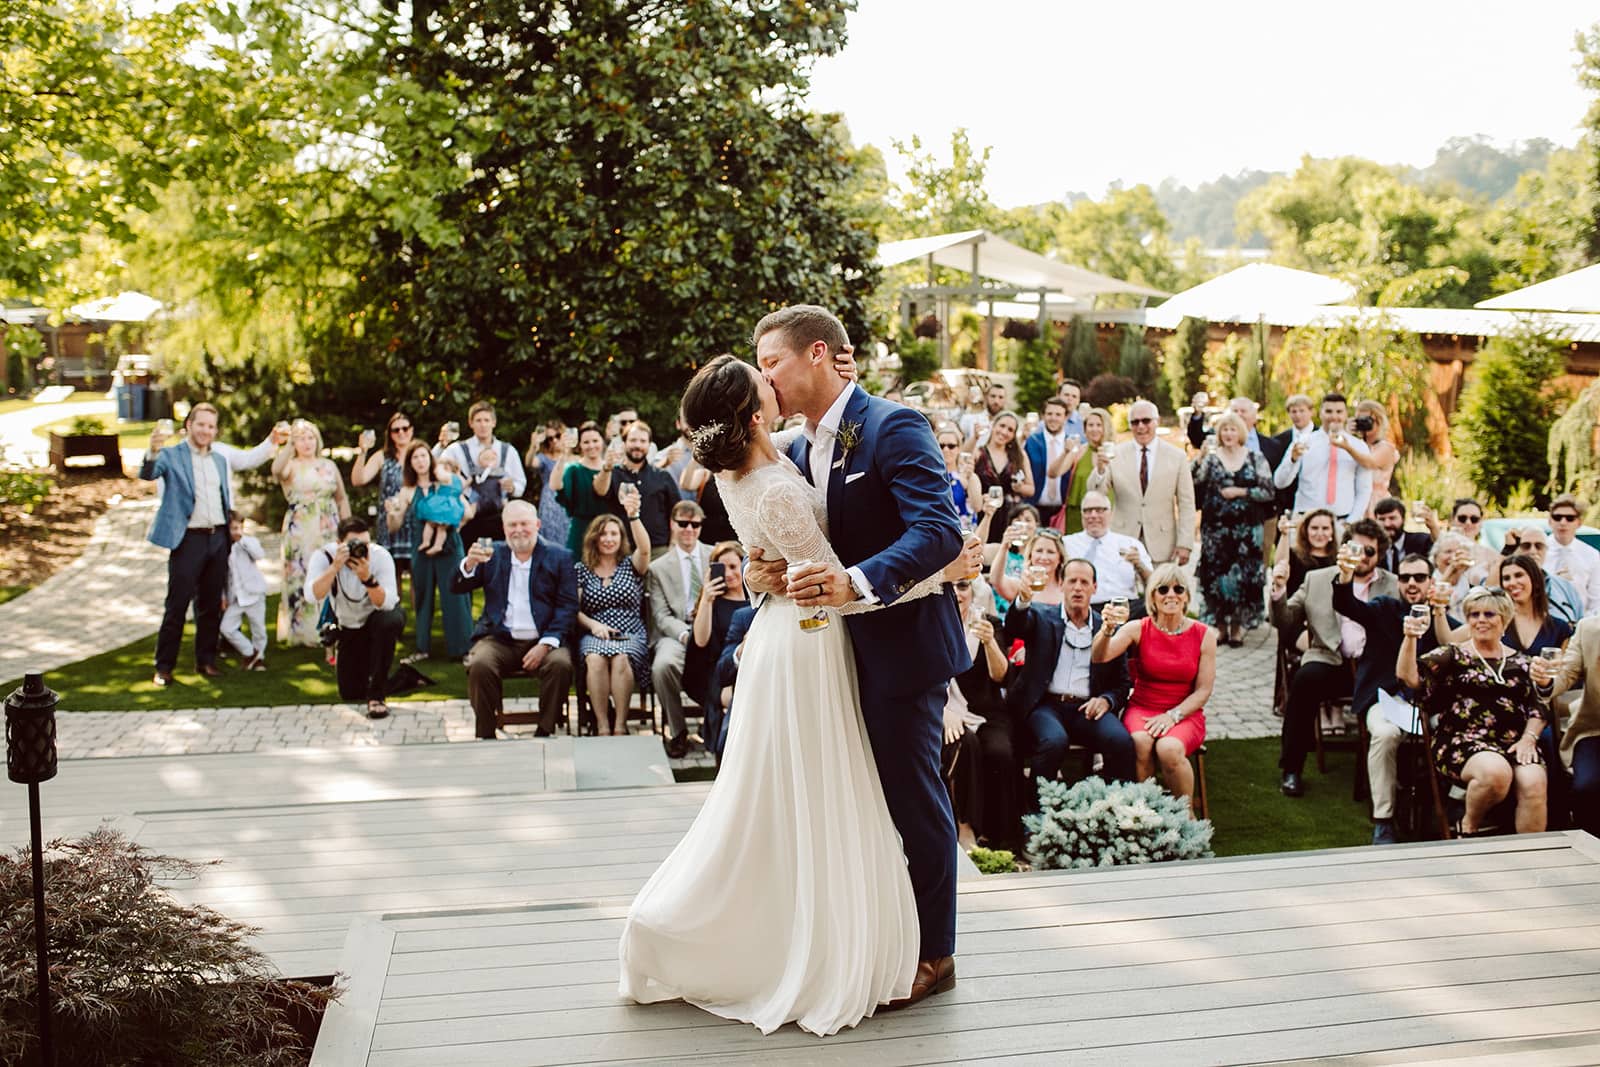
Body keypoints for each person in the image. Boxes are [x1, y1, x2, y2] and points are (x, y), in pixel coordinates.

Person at [620, 310, 965, 1034]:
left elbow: (938, 532)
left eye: (769, 361)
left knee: (911, 798)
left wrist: (853, 581)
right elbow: (772, 515)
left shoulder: (892, 427)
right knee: (841, 801)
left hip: (895, 643)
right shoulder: (788, 443)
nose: (765, 374)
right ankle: (851, 937)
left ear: (816, 354)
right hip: (819, 651)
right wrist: (762, 566)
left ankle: (935, 951)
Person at [1398, 586, 1548, 835]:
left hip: (1513, 742)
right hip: (1462, 740)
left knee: (1534, 781)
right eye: (1474, 615)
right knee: (1495, 773)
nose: (1480, 620)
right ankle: (1467, 826)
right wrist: (1410, 637)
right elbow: (1408, 676)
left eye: (1489, 614)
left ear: (1505, 619)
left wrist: (1528, 739)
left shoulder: (1522, 661)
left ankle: (1529, 859)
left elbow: (1540, 703)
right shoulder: (1453, 655)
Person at [1332, 552, 1456, 844]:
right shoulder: (1384, 608)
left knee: (1455, 727)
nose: (1412, 583)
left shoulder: (1440, 618)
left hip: (1427, 703)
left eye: (1419, 577)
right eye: (1405, 577)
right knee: (1386, 734)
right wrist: (1346, 577)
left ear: (1430, 581)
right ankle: (1383, 820)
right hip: (1384, 698)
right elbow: (1346, 604)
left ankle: (1450, 806)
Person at [1271, 518, 1399, 797]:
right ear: (1344, 548)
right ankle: (1292, 769)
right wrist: (1279, 590)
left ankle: (1389, 772)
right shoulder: (1317, 579)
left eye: (1370, 551)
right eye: (1356, 548)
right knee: (1304, 679)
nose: (1362, 556)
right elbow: (1285, 621)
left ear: (1379, 555)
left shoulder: (1393, 585)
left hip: (1373, 666)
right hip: (1330, 659)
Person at [454, 500, 578, 738]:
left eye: (524, 523)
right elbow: (457, 586)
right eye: (512, 525)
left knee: (560, 664)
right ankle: (486, 733)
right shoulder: (493, 554)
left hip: (544, 638)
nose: (518, 530)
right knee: (480, 664)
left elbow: (567, 606)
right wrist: (469, 564)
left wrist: (546, 644)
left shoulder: (559, 557)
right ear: (503, 528)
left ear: (538, 525)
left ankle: (545, 730)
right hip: (500, 638)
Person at [1093, 563, 1215, 804]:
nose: (1171, 595)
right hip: (1143, 707)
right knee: (1140, 742)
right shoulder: (1138, 628)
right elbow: (1099, 656)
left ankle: (1185, 811)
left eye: (1178, 589)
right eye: (1163, 589)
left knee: (1169, 748)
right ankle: (1145, 809)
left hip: (1184, 711)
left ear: (1186, 596)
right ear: (1152, 597)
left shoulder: (1204, 634)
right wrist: (1107, 629)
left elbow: (1203, 690)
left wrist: (1173, 715)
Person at [1007, 557, 1133, 787]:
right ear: (1062, 584)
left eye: (1084, 582)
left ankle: (1114, 807)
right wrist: (1023, 599)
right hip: (1046, 706)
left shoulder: (1107, 627)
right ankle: (1038, 812)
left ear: (1095, 588)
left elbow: (1123, 683)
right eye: (1072, 581)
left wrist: (1107, 700)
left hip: (1086, 708)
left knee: (1121, 741)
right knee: (1054, 741)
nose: (1077, 587)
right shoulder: (1041, 616)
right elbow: (1015, 626)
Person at [140, 404, 235, 686]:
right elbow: (148, 473)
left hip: (217, 538)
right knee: (177, 604)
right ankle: (164, 667)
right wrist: (153, 450)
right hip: (188, 539)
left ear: (215, 430)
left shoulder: (219, 460)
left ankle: (206, 660)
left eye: (211, 426)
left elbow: (223, 497)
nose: (206, 430)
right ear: (189, 425)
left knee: (210, 605)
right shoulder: (171, 455)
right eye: (201, 424)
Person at [942, 576, 1018, 851]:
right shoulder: (931, 624)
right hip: (942, 710)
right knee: (964, 744)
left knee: (1000, 751)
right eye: (948, 586)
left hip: (985, 712)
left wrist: (989, 644)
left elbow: (1000, 677)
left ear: (973, 592)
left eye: (963, 586)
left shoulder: (988, 624)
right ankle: (965, 828)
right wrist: (943, 711)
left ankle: (1003, 838)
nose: (957, 593)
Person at [304, 517, 404, 720]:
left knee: (389, 620)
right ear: (340, 544)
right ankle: (404, 677)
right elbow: (312, 595)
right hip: (349, 627)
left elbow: (386, 603)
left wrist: (368, 578)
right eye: (354, 544)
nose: (361, 549)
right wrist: (334, 568)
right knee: (351, 692)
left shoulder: (380, 557)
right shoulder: (324, 556)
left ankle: (377, 696)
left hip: (377, 620)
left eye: (365, 544)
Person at [1192, 410, 1274, 646]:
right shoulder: (1212, 457)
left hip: (1246, 531)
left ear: (1241, 432)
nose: (1228, 434)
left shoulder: (1254, 457)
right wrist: (1199, 458)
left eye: (1232, 429)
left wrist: (1241, 492)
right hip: (1215, 530)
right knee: (1215, 577)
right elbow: (1194, 480)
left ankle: (1237, 627)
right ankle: (1220, 627)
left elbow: (1268, 490)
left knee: (1242, 578)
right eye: (1224, 430)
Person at [390, 441, 474, 661]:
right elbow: (395, 525)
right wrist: (392, 513)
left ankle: (462, 648)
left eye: (423, 456)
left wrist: (449, 521)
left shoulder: (445, 482)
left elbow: (467, 513)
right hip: (422, 548)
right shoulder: (407, 491)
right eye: (415, 457)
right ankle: (422, 648)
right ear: (409, 463)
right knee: (423, 596)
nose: (420, 461)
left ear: (431, 459)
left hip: (450, 546)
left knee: (455, 595)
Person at [1085, 399, 1195, 566]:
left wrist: (1185, 543)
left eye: (1146, 421)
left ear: (1156, 422)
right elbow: (1095, 493)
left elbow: (1186, 503)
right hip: (1123, 540)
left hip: (1162, 544)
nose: (1141, 427)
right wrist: (1100, 470)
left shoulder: (1177, 456)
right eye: (1135, 422)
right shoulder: (1116, 453)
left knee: (1158, 591)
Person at [273, 418, 350, 647]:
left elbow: (342, 497)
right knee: (302, 576)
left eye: (310, 437)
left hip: (329, 526)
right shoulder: (290, 465)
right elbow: (276, 470)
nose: (306, 443)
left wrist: (348, 529)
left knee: (330, 573)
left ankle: (333, 625)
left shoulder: (328, 465)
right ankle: (304, 633)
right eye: (301, 439)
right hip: (300, 531)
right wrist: (288, 443)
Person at [576, 511, 652, 735]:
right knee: (595, 658)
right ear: (594, 538)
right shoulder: (581, 570)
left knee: (620, 658)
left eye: (614, 534)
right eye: (603, 534)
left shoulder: (631, 565)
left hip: (630, 631)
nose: (608, 539)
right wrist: (594, 626)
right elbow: (575, 610)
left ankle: (620, 724)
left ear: (621, 538)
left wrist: (634, 516)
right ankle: (602, 725)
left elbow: (645, 549)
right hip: (594, 631)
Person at [647, 500, 712, 757]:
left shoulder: (715, 556)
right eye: (682, 524)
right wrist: (686, 634)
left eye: (694, 524)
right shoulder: (658, 567)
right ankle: (677, 731)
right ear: (672, 524)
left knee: (724, 660)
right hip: (677, 633)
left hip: (710, 628)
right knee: (663, 666)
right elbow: (660, 616)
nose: (688, 529)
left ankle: (714, 723)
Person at [1532, 614, 1600, 836]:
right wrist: (1545, 681)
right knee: (1587, 788)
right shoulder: (1589, 628)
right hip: (1593, 730)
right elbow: (1566, 674)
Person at [1273, 392, 1372, 524]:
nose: (1334, 416)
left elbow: (1364, 489)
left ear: (1346, 414)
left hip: (1342, 520)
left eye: (1339, 412)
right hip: (1305, 519)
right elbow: (1280, 482)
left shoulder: (1358, 446)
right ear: (1320, 413)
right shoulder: (1304, 441)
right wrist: (1293, 459)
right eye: (1329, 411)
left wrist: (1351, 521)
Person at [436, 400, 526, 545]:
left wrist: (512, 487)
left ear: (494, 422)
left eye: (486, 420)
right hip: (470, 518)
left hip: (499, 518)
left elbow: (520, 485)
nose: (483, 425)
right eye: (478, 420)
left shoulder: (508, 450)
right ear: (471, 423)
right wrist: (441, 445)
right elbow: (435, 466)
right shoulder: (458, 449)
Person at [690, 540, 750, 759]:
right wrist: (706, 599)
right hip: (721, 676)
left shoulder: (756, 599)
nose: (728, 573)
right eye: (721, 568)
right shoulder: (713, 602)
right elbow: (700, 640)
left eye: (733, 566)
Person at [1061, 491, 1151, 615]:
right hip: (1083, 608)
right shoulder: (1066, 544)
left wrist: (1139, 564)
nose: (1093, 515)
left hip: (1124, 606)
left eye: (1099, 510)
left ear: (1111, 513)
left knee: (1148, 606)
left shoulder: (1130, 543)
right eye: (1087, 510)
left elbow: (1154, 584)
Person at [350, 411, 418, 574]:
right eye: (396, 430)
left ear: (411, 430)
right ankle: (394, 601)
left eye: (405, 428)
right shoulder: (382, 456)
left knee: (417, 574)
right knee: (391, 572)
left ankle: (418, 601)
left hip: (415, 519)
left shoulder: (419, 454)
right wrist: (363, 451)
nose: (401, 432)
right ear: (390, 434)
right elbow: (358, 480)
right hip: (389, 521)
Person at [605, 419, 683, 556]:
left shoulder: (662, 476)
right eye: (633, 440)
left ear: (649, 445)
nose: (638, 445)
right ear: (624, 444)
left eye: (642, 441)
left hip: (658, 549)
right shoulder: (613, 475)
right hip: (621, 549)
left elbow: (677, 512)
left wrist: (673, 543)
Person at [1487, 553, 1573, 656]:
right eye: (1506, 578)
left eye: (1518, 575)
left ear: (1535, 580)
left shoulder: (1560, 628)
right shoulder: (1496, 622)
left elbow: (1563, 668)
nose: (1512, 582)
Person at [1500, 527, 1584, 627]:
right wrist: (1507, 550)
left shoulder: (1564, 586)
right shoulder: (1506, 584)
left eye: (1539, 546)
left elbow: (1579, 623)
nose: (1532, 551)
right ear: (1516, 549)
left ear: (1546, 550)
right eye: (1526, 546)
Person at [1025, 396, 1086, 528]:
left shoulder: (1073, 443)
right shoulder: (1032, 441)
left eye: (1058, 414)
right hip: (1035, 508)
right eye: (1049, 414)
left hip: (1062, 509)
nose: (1053, 418)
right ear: (1043, 416)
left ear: (1065, 418)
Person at [973, 411, 1033, 544]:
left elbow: (1031, 489)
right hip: (985, 512)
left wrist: (1019, 487)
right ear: (993, 426)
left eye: (1010, 430)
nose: (1004, 432)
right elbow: (965, 478)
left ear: (1013, 435)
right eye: (1002, 426)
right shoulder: (978, 453)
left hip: (1010, 515)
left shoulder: (1019, 455)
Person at [554, 421, 613, 556]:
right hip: (581, 532)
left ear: (603, 442)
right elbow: (556, 486)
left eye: (595, 441)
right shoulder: (574, 470)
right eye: (586, 442)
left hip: (608, 532)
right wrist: (563, 455)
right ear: (580, 445)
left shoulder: (613, 469)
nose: (591, 445)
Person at [220, 511, 269, 671]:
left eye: (239, 527)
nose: (236, 531)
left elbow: (259, 554)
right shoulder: (223, 548)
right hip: (237, 597)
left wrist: (243, 540)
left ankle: (259, 659)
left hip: (254, 593)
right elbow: (224, 576)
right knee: (226, 627)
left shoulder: (249, 542)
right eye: (233, 528)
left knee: (258, 628)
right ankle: (249, 652)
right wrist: (224, 596)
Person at [1060, 406, 1112, 535]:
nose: (1094, 429)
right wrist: (1066, 453)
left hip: (1106, 516)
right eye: (1090, 425)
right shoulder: (1079, 451)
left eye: (1099, 425)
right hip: (1076, 515)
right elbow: (1056, 473)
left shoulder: (1114, 453)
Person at [1547, 494, 1600, 615]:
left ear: (1579, 522)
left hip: (1581, 621)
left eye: (1569, 518)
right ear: (1550, 521)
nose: (1563, 522)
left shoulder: (1591, 555)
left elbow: (1596, 599)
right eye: (1557, 517)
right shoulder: (1538, 550)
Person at [523, 422, 573, 551]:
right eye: (550, 438)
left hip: (571, 499)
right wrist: (534, 446)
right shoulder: (544, 458)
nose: (554, 440)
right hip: (551, 501)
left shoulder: (576, 458)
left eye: (557, 435)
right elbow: (530, 463)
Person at [989, 529, 1068, 609]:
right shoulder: (1021, 586)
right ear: (1031, 555)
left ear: (1060, 558)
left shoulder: (1068, 587)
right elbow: (995, 580)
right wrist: (1004, 547)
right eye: (1039, 551)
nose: (1044, 557)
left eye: (1050, 552)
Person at [1270, 393, 1318, 516]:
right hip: (1286, 505)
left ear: (1311, 412)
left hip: (1314, 503)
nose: (1297, 415)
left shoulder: (1321, 437)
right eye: (1293, 411)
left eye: (1302, 411)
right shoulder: (1279, 440)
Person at [1349, 400, 1399, 514]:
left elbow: (1368, 462)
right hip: (1355, 501)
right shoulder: (1356, 444)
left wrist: (1347, 446)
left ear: (1379, 421)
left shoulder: (1386, 448)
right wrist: (1347, 434)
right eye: (1359, 420)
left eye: (1367, 420)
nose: (1363, 424)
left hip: (1377, 505)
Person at [414, 454, 468, 556]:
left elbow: (441, 477)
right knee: (442, 528)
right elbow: (463, 486)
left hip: (443, 504)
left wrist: (436, 475)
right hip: (454, 506)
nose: (435, 471)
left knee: (430, 523)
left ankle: (426, 541)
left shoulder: (448, 476)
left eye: (437, 468)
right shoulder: (459, 479)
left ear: (447, 468)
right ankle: (438, 545)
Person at [1373, 496, 1433, 574]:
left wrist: (1433, 527)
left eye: (1392, 518)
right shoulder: (1373, 548)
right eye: (1382, 519)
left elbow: (1440, 547)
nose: (1387, 524)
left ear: (1403, 519)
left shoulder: (1421, 541)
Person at [936, 424, 982, 525]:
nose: (946, 450)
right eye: (941, 446)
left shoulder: (969, 475)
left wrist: (969, 478)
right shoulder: (931, 476)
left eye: (951, 446)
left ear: (959, 449)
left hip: (965, 534)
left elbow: (977, 507)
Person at [960, 381, 1007, 449]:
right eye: (993, 396)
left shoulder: (1009, 423)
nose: (996, 401)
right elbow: (959, 447)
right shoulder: (969, 419)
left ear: (1005, 400)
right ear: (986, 397)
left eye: (1000, 397)